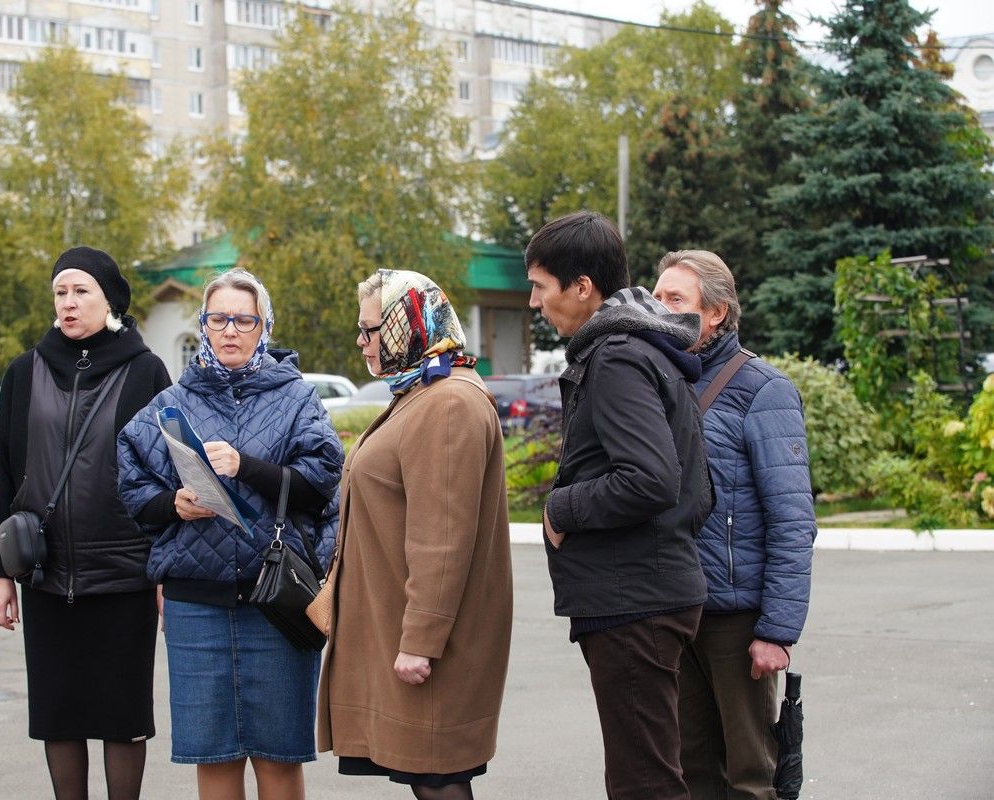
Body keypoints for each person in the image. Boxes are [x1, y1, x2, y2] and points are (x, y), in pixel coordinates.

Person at [117, 267, 343, 800]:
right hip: (196, 608)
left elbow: (321, 482)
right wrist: (172, 504)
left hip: (278, 606)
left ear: (265, 326)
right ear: (204, 325)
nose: (230, 331)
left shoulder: (297, 399)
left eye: (244, 320)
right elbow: (130, 484)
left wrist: (246, 467)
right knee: (213, 758)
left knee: (279, 758)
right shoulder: (172, 403)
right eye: (218, 319)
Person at [525, 210, 712, 800]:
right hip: (645, 592)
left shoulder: (617, 357)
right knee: (648, 774)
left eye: (540, 286)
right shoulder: (643, 350)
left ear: (582, 286)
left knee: (644, 784)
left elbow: (652, 479)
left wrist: (562, 509)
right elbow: (695, 490)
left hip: (634, 601)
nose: (534, 302)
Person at [0, 246, 171, 800]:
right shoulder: (24, 372)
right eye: (60, 292)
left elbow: (166, 476)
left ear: (109, 300)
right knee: (59, 715)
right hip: (45, 575)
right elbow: (3, 477)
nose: (67, 302)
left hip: (125, 576)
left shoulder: (146, 371)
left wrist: (164, 571)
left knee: (121, 716)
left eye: (80, 291)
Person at [318, 269, 514, 800]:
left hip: (431, 643)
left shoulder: (447, 402)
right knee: (430, 776)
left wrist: (421, 642)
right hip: (404, 630)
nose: (361, 341)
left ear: (408, 326)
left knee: (438, 777)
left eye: (371, 329)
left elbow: (442, 538)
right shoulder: (422, 390)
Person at [653, 250, 815, 800]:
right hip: (676, 608)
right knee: (691, 769)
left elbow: (792, 520)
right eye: (657, 296)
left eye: (676, 298)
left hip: (737, 621)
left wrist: (777, 631)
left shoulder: (764, 390)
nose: (661, 308)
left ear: (716, 312)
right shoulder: (661, 379)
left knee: (752, 775)